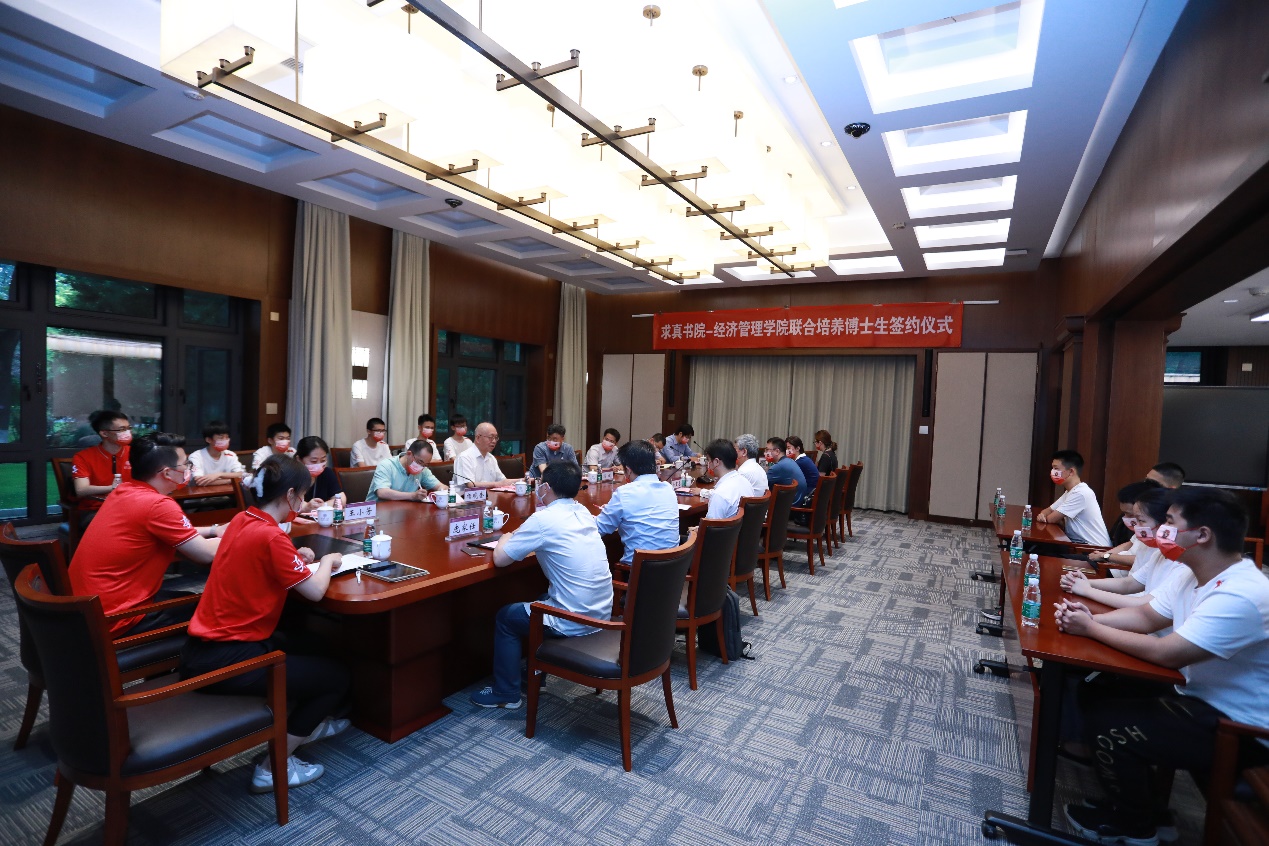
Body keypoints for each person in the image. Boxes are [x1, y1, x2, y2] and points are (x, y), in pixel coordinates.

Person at [1055, 488, 1269, 844]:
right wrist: (1088, 618)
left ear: (1202, 534)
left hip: (1240, 728)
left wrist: (1091, 629)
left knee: (1110, 724)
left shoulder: (1242, 593)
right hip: (1196, 698)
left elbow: (1168, 653)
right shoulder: (1192, 572)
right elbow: (1145, 616)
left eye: (1169, 522)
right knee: (1102, 693)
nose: (1161, 530)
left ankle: (1136, 829)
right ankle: (1149, 811)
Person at [180, 455, 351, 794]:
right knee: (335, 678)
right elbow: (315, 591)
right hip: (228, 657)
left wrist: (296, 557)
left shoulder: (243, 519)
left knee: (318, 645)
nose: (303, 501)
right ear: (290, 495)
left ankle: (306, 725)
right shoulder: (271, 536)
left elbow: (259, 559)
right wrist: (328, 561)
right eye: (302, 494)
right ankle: (272, 768)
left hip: (202, 648)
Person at [472, 461, 613, 709]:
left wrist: (505, 537)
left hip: (574, 619)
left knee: (506, 618)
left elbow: (501, 559)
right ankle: (534, 676)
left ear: (545, 487)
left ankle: (506, 693)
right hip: (601, 613)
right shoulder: (583, 512)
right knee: (541, 597)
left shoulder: (543, 519)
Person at [68, 433, 222, 636]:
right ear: (167, 473)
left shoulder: (124, 490)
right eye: (185, 465)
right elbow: (206, 554)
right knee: (216, 608)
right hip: (115, 619)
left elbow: (171, 531)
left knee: (191, 598)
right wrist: (241, 531)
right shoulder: (158, 505)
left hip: (85, 610)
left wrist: (214, 529)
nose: (188, 470)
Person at [1060, 481, 1183, 610]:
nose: (1136, 526)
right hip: (1130, 606)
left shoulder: (1181, 565)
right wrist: (1086, 583)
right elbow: (1129, 584)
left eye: (1140, 521)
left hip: (1134, 609)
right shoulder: (1159, 554)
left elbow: (1144, 605)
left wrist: (1087, 590)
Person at [595, 439, 680, 568]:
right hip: (672, 568)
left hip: (639, 571)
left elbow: (599, 528)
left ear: (628, 470)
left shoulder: (624, 493)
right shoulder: (668, 488)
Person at [1035, 449, 1112, 547]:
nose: (1053, 472)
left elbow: (1051, 519)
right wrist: (1043, 515)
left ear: (1071, 471)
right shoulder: (1070, 491)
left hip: (1093, 549)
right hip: (1078, 545)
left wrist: (1047, 517)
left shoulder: (1081, 493)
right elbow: (1048, 510)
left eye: (1056, 468)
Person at [70, 409, 134, 511]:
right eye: (122, 429)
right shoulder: (83, 457)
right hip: (96, 509)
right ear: (104, 433)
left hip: (131, 506)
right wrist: (113, 487)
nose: (127, 432)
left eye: (128, 428)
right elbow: (81, 490)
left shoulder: (135, 453)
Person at [368, 439, 445, 501]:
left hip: (403, 511)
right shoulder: (386, 465)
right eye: (420, 462)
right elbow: (382, 492)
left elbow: (440, 486)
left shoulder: (423, 470)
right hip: (376, 511)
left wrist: (443, 491)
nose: (421, 466)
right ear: (409, 454)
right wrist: (412, 496)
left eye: (425, 464)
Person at [189, 420, 247, 486]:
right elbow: (199, 481)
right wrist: (230, 480)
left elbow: (241, 474)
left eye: (227, 437)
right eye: (221, 438)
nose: (225, 440)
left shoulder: (231, 455)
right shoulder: (196, 456)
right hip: (201, 492)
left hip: (226, 491)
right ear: (208, 440)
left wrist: (219, 475)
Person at [704, 439, 750, 520]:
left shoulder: (720, 494)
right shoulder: (746, 482)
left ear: (716, 462)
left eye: (708, 460)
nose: (708, 464)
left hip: (725, 528)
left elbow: (712, 526)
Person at [453, 422, 507, 489]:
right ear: (478, 438)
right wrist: (496, 484)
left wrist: (518, 481)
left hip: (488, 494)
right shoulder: (464, 457)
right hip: (464, 495)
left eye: (496, 437)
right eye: (490, 437)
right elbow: (470, 484)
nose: (494, 441)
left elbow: (502, 481)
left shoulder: (491, 458)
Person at [295, 436, 343, 508]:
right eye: (314, 461)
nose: (319, 465)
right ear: (299, 459)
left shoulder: (327, 473)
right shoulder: (291, 475)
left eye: (323, 460)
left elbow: (341, 498)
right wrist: (306, 507)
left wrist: (322, 506)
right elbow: (289, 503)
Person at [764, 437, 807, 503]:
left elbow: (762, 486)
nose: (765, 453)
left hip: (791, 505)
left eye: (767, 450)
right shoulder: (789, 461)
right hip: (797, 501)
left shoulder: (779, 467)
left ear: (777, 451)